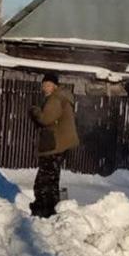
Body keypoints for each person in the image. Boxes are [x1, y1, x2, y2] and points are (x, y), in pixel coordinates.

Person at [30, 72, 79, 218]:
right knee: (51, 178)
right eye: (44, 84)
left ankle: (45, 211)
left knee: (44, 180)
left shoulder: (55, 99)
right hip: (58, 145)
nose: (45, 87)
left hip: (54, 145)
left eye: (49, 84)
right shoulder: (61, 97)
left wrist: (35, 111)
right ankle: (49, 210)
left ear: (55, 86)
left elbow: (46, 119)